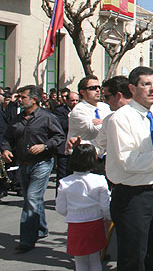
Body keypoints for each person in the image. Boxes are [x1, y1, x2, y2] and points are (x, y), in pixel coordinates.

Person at [103, 66, 153, 270]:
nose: (152, 89)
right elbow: (129, 161)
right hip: (132, 196)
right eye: (146, 84)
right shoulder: (121, 118)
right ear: (132, 88)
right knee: (134, 255)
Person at [0, 85, 65, 253]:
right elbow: (8, 137)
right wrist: (6, 149)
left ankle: (27, 240)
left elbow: (59, 137)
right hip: (23, 164)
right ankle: (41, 228)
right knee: (34, 200)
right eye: (19, 97)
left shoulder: (47, 117)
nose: (19, 100)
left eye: (23, 97)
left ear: (34, 100)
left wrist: (44, 146)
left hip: (42, 164)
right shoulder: (17, 119)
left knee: (31, 198)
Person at [56, 144, 110, 271]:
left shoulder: (64, 182)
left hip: (75, 224)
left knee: (80, 260)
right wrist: (108, 217)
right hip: (95, 222)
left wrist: (72, 213)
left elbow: (60, 208)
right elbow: (105, 205)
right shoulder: (100, 180)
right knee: (95, 258)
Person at [68, 76, 111, 144]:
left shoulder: (105, 107)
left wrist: (104, 121)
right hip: (83, 151)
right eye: (93, 88)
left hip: (102, 151)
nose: (97, 90)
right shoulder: (79, 110)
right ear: (82, 92)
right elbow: (96, 129)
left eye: (99, 87)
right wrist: (108, 121)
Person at [54, 92, 80, 184]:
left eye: (77, 100)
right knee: (63, 175)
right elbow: (62, 125)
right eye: (72, 100)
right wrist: (73, 118)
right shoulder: (60, 111)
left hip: (77, 146)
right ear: (67, 101)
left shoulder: (81, 111)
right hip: (64, 147)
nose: (75, 103)